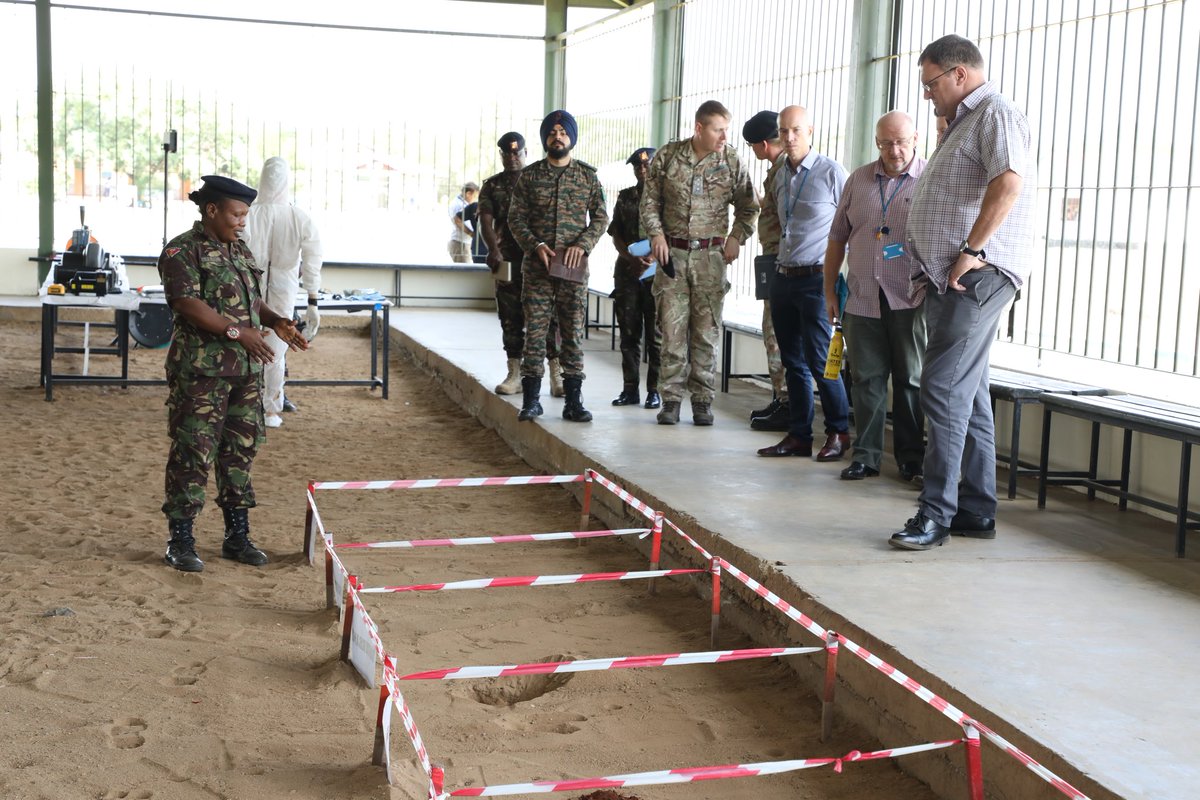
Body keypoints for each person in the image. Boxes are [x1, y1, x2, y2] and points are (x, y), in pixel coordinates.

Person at [888, 34, 1036, 551]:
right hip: (952, 276)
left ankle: (935, 515)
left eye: (930, 83)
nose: (926, 94)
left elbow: (1009, 183)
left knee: (941, 389)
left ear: (958, 74)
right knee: (968, 395)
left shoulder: (994, 112)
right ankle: (975, 509)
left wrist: (971, 251)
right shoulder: (963, 123)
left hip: (978, 274)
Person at [157, 174, 309, 573]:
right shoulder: (181, 251)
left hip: (243, 371)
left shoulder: (238, 249)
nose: (243, 221)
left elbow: (250, 299)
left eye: (245, 215)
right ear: (212, 210)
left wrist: (275, 320)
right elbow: (186, 302)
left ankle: (236, 536)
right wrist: (238, 332)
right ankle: (181, 540)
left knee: (240, 450)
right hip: (201, 371)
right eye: (237, 214)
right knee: (193, 452)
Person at [640, 100, 759, 426]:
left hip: (710, 258)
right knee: (672, 332)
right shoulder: (667, 157)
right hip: (672, 258)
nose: (724, 137)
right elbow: (649, 202)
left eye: (726, 130)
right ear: (699, 128)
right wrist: (656, 235)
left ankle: (703, 401)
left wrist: (736, 236)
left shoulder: (731, 160)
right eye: (718, 130)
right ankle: (672, 400)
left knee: (706, 333)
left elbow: (750, 207)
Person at [823, 112, 927, 482]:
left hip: (911, 297)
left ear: (916, 138)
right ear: (876, 142)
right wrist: (830, 289)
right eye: (885, 143)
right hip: (862, 296)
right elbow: (837, 237)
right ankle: (866, 455)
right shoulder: (859, 180)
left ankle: (911, 458)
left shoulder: (930, 179)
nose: (894, 150)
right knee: (866, 378)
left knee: (910, 380)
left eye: (900, 142)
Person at [756, 105, 851, 461]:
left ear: (810, 131)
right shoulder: (780, 174)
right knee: (791, 361)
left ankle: (839, 432)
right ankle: (799, 435)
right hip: (783, 276)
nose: (789, 137)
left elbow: (850, 227)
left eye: (796, 130)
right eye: (784, 131)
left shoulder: (831, 173)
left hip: (816, 279)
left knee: (820, 360)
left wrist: (841, 282)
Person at [507, 109, 608, 423]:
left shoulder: (587, 176)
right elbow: (515, 218)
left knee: (573, 335)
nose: (557, 136)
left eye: (563, 133)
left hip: (573, 272)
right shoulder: (530, 176)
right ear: (545, 139)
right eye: (552, 132)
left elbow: (602, 218)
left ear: (572, 139)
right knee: (535, 335)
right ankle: (532, 400)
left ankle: (573, 402)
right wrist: (534, 245)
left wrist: (583, 245)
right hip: (538, 270)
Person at [478, 132, 564, 397]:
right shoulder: (493, 186)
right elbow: (485, 220)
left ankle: (556, 373)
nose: (513, 158)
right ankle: (514, 373)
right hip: (509, 259)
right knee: (510, 316)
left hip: (539, 258)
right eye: (507, 154)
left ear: (526, 153)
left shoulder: (540, 179)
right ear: (502, 155)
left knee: (548, 316)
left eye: (517, 153)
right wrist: (493, 249)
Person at [242, 157, 323, 429]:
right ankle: (270, 409)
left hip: (249, 287)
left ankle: (248, 405)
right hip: (280, 289)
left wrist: (312, 298)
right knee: (275, 351)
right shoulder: (298, 216)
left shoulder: (248, 213)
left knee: (247, 342)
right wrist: (313, 299)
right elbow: (313, 259)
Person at [741, 109, 790, 432]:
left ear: (761, 145)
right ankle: (782, 397)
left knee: (777, 334)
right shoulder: (780, 169)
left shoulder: (785, 169)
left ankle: (787, 403)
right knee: (775, 332)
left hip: (783, 264)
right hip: (776, 262)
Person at [607, 147, 662, 410]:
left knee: (656, 335)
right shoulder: (626, 197)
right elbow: (615, 233)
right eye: (638, 167)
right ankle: (630, 389)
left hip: (657, 272)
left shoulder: (667, 197)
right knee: (629, 333)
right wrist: (631, 258)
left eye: (647, 165)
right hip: (628, 272)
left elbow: (673, 232)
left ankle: (655, 390)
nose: (642, 170)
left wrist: (651, 258)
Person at [448, 182, 479, 263]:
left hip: (463, 243)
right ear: (468, 194)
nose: (475, 199)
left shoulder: (462, 203)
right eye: (475, 196)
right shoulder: (459, 205)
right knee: (464, 272)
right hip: (460, 243)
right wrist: (471, 233)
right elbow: (457, 221)